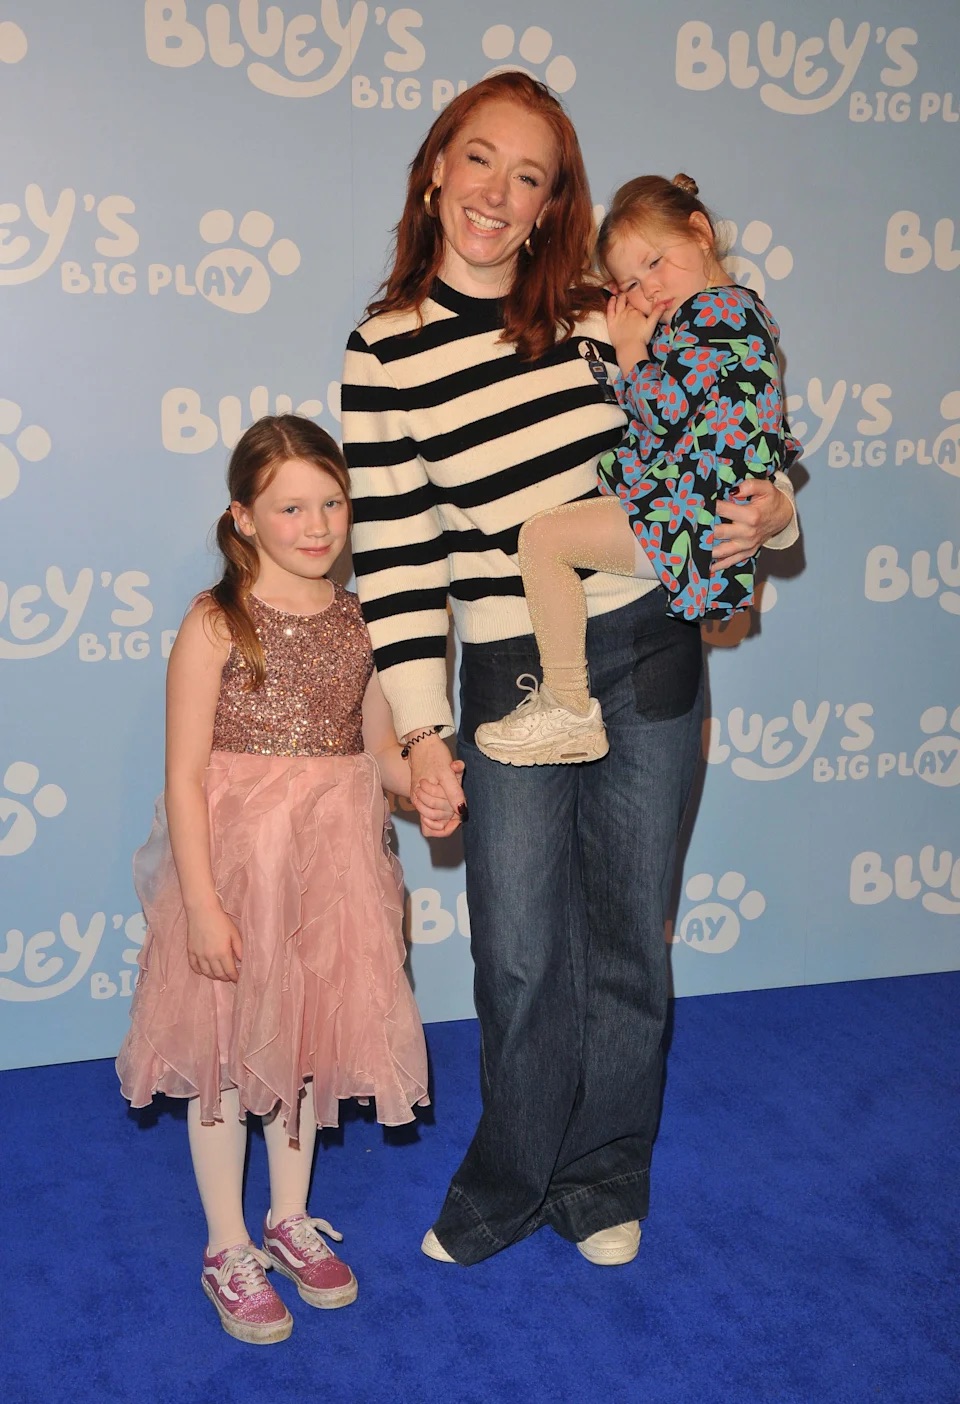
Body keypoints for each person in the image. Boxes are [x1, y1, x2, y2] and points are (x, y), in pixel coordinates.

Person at [341, 73, 799, 1269]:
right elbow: (397, 557)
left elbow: (722, 430)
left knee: (627, 937)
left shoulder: (604, 308)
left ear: (553, 205)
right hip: (512, 665)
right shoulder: (384, 350)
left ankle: (602, 1177)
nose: (498, 192)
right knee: (519, 950)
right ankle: (509, 1181)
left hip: (647, 646)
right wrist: (419, 728)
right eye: (479, 160)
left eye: (530, 176)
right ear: (436, 170)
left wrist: (776, 512)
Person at [116, 415, 457, 1343]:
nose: (316, 526)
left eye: (332, 504)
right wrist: (202, 905)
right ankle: (227, 1244)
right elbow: (184, 777)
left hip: (331, 870)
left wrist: (422, 782)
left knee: (303, 1039)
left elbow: (376, 750)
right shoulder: (215, 621)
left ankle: (289, 1218)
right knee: (227, 1052)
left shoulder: (364, 621)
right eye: (291, 508)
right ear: (244, 517)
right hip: (237, 871)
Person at [475, 172, 802, 766]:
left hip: (692, 513)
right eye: (630, 283)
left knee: (543, 540)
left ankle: (568, 706)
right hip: (698, 510)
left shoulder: (713, 314)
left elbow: (667, 412)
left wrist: (630, 352)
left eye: (656, 262)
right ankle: (567, 706)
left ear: (700, 232)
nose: (648, 289)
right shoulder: (736, 314)